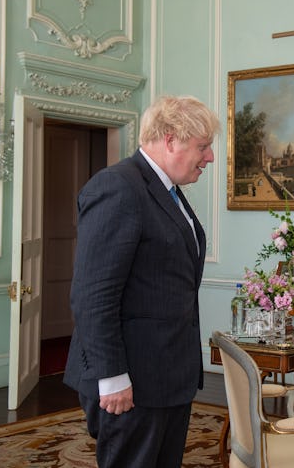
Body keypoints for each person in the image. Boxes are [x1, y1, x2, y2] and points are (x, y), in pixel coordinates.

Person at [64, 95, 220, 468]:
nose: (210, 157)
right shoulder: (118, 188)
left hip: (165, 376)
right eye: (203, 147)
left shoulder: (166, 190)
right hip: (131, 379)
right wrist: (113, 376)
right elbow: (93, 296)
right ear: (170, 139)